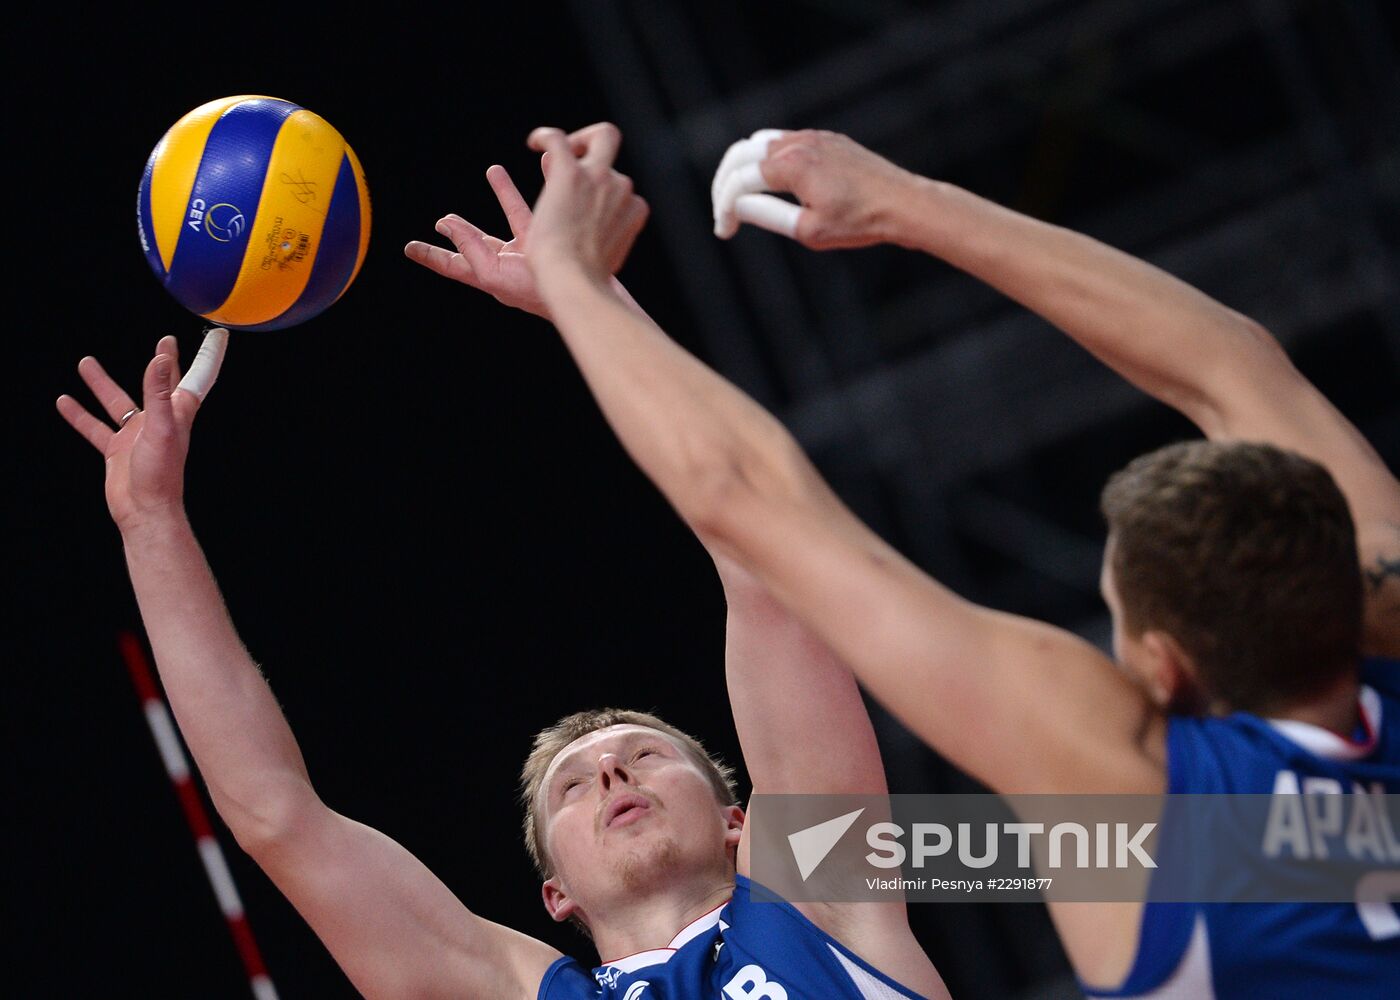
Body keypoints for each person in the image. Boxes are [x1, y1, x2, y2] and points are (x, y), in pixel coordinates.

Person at [466, 121, 1400, 998]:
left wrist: (583, 280)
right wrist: (905, 202)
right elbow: (1233, 364)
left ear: (1165, 669)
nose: (617, 782)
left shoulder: (1114, 773)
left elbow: (749, 500)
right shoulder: (1381, 593)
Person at [56, 217, 951, 1000]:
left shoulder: (828, 893)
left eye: (645, 756)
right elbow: (273, 815)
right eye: (574, 786)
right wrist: (148, 520)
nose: (612, 777)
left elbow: (756, 546)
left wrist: (587, 306)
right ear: (555, 892)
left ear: (739, 824)